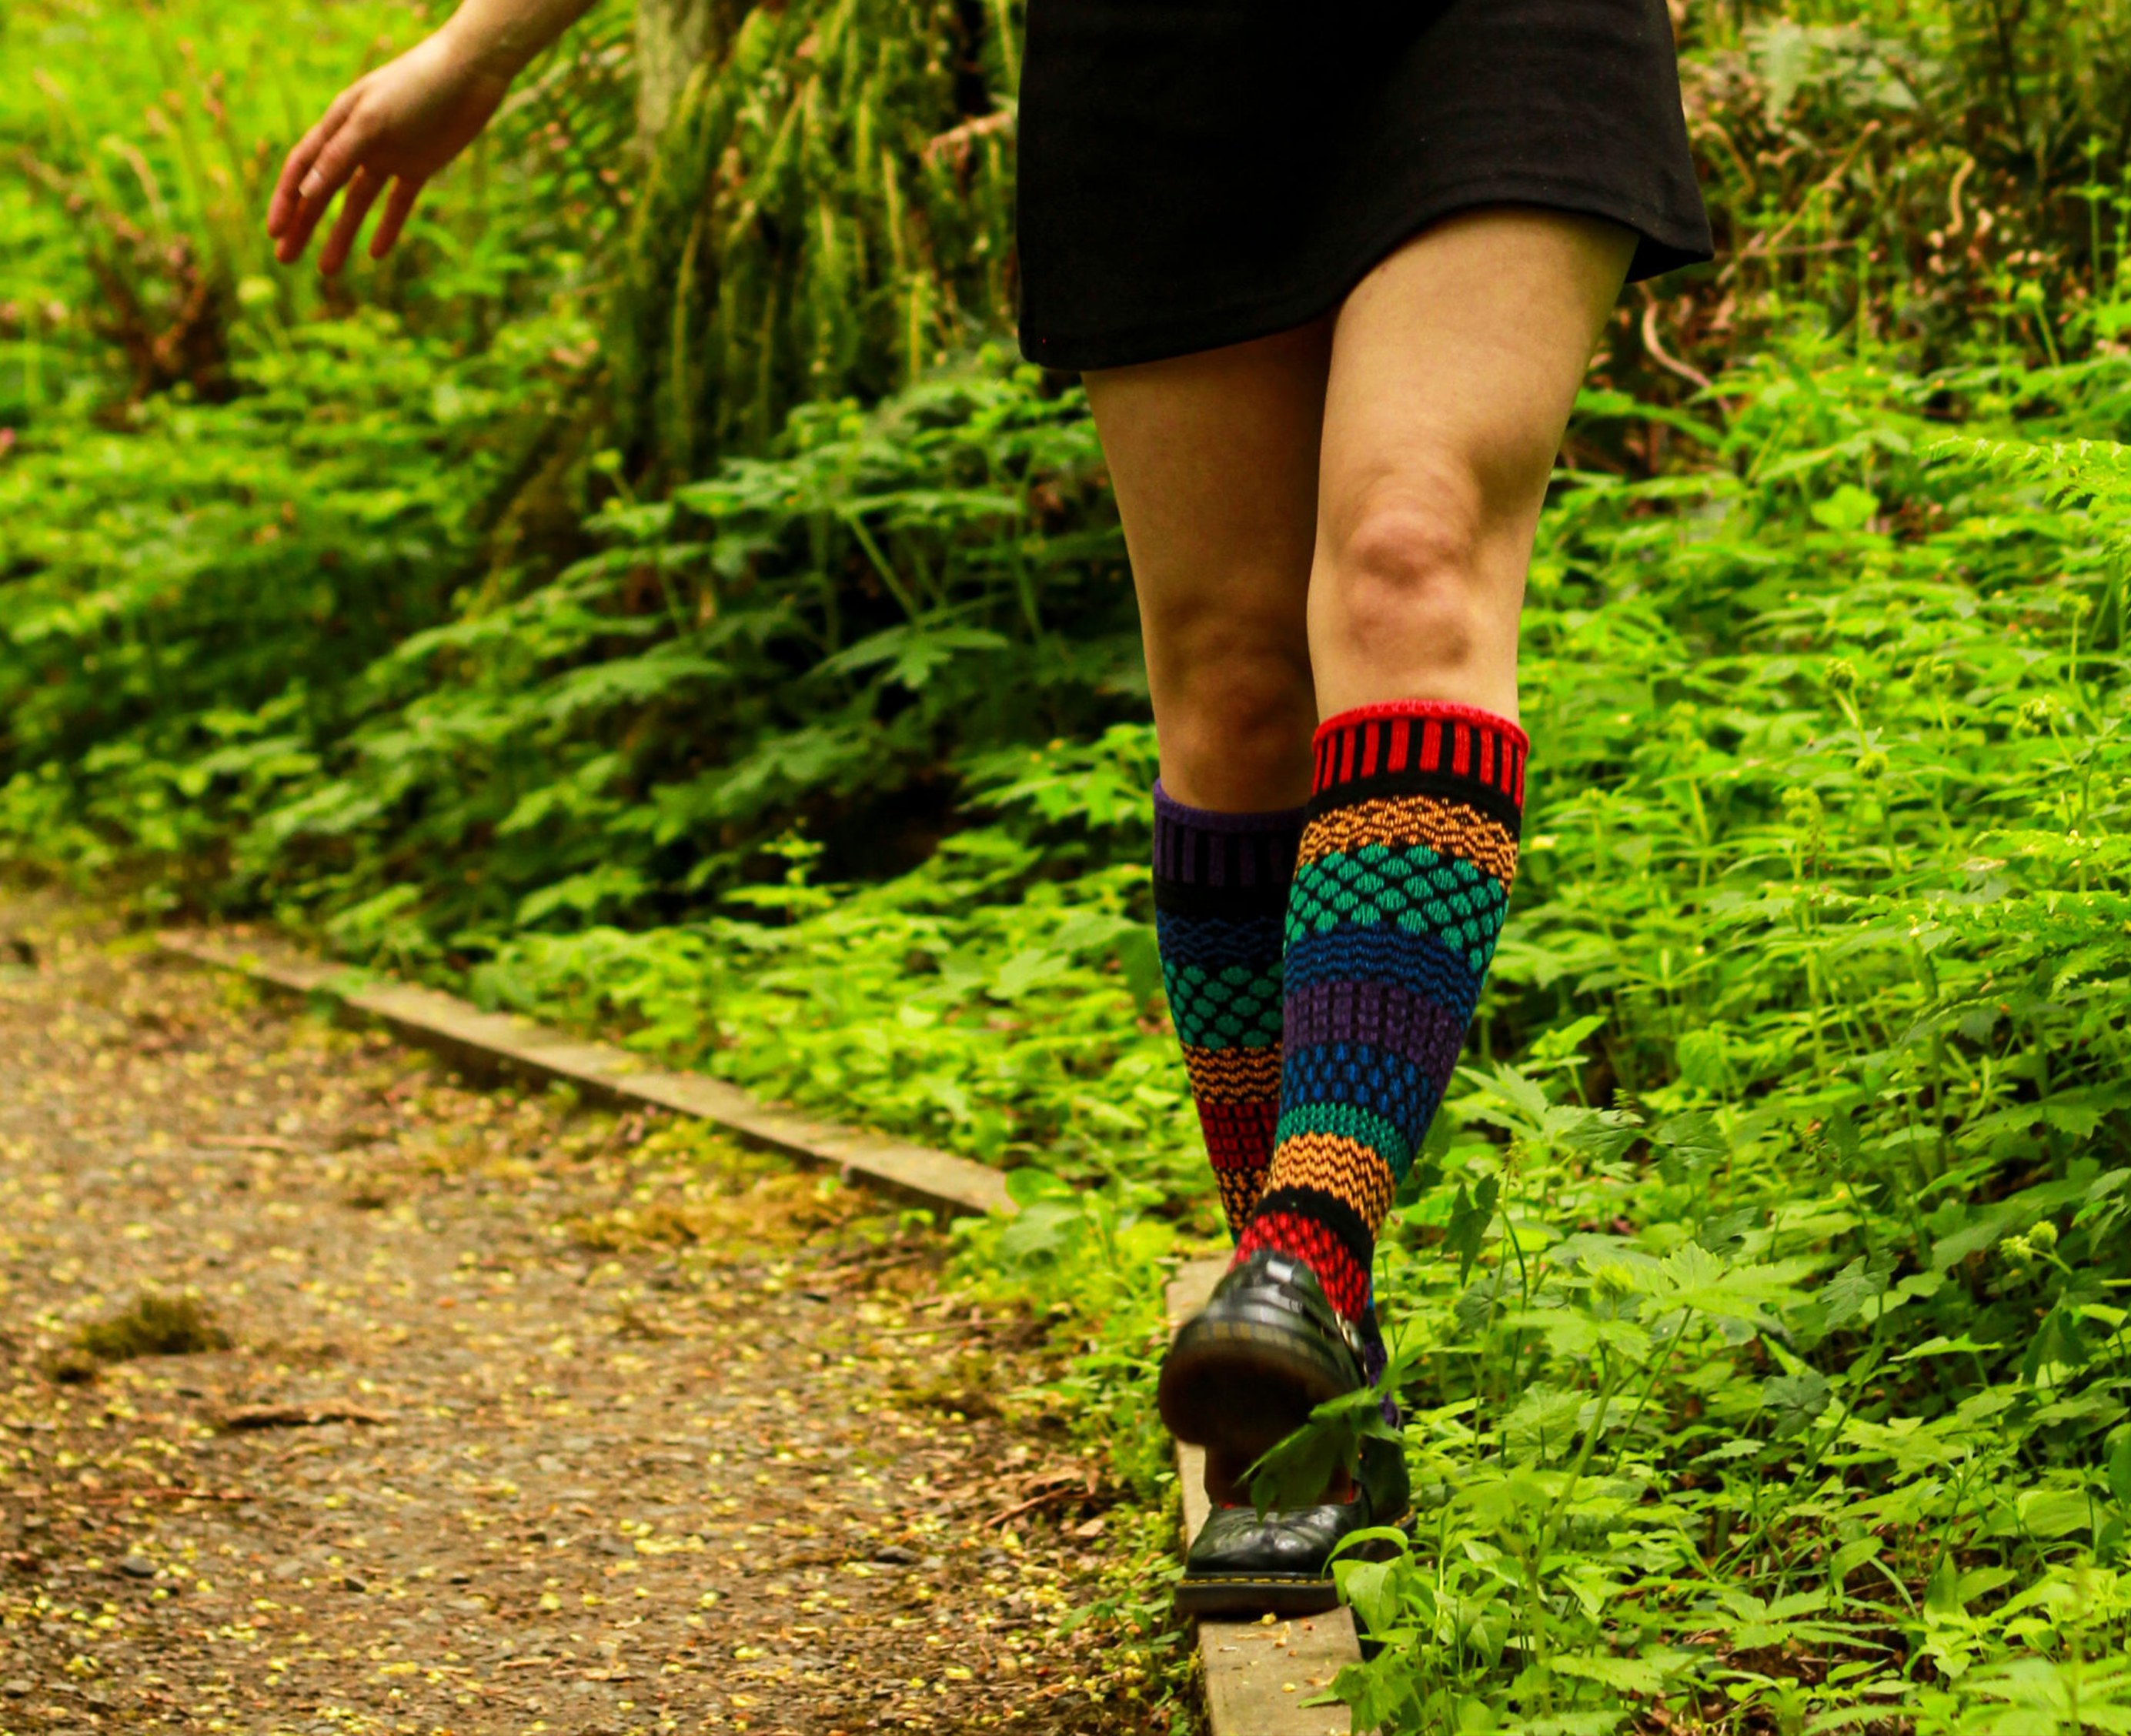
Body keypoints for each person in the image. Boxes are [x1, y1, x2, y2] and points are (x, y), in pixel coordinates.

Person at [269, 0, 1708, 1619]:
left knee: (1409, 546)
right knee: (1233, 686)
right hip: (1160, 53)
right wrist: (483, 46)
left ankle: (1306, 1257)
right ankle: (1314, 1395)